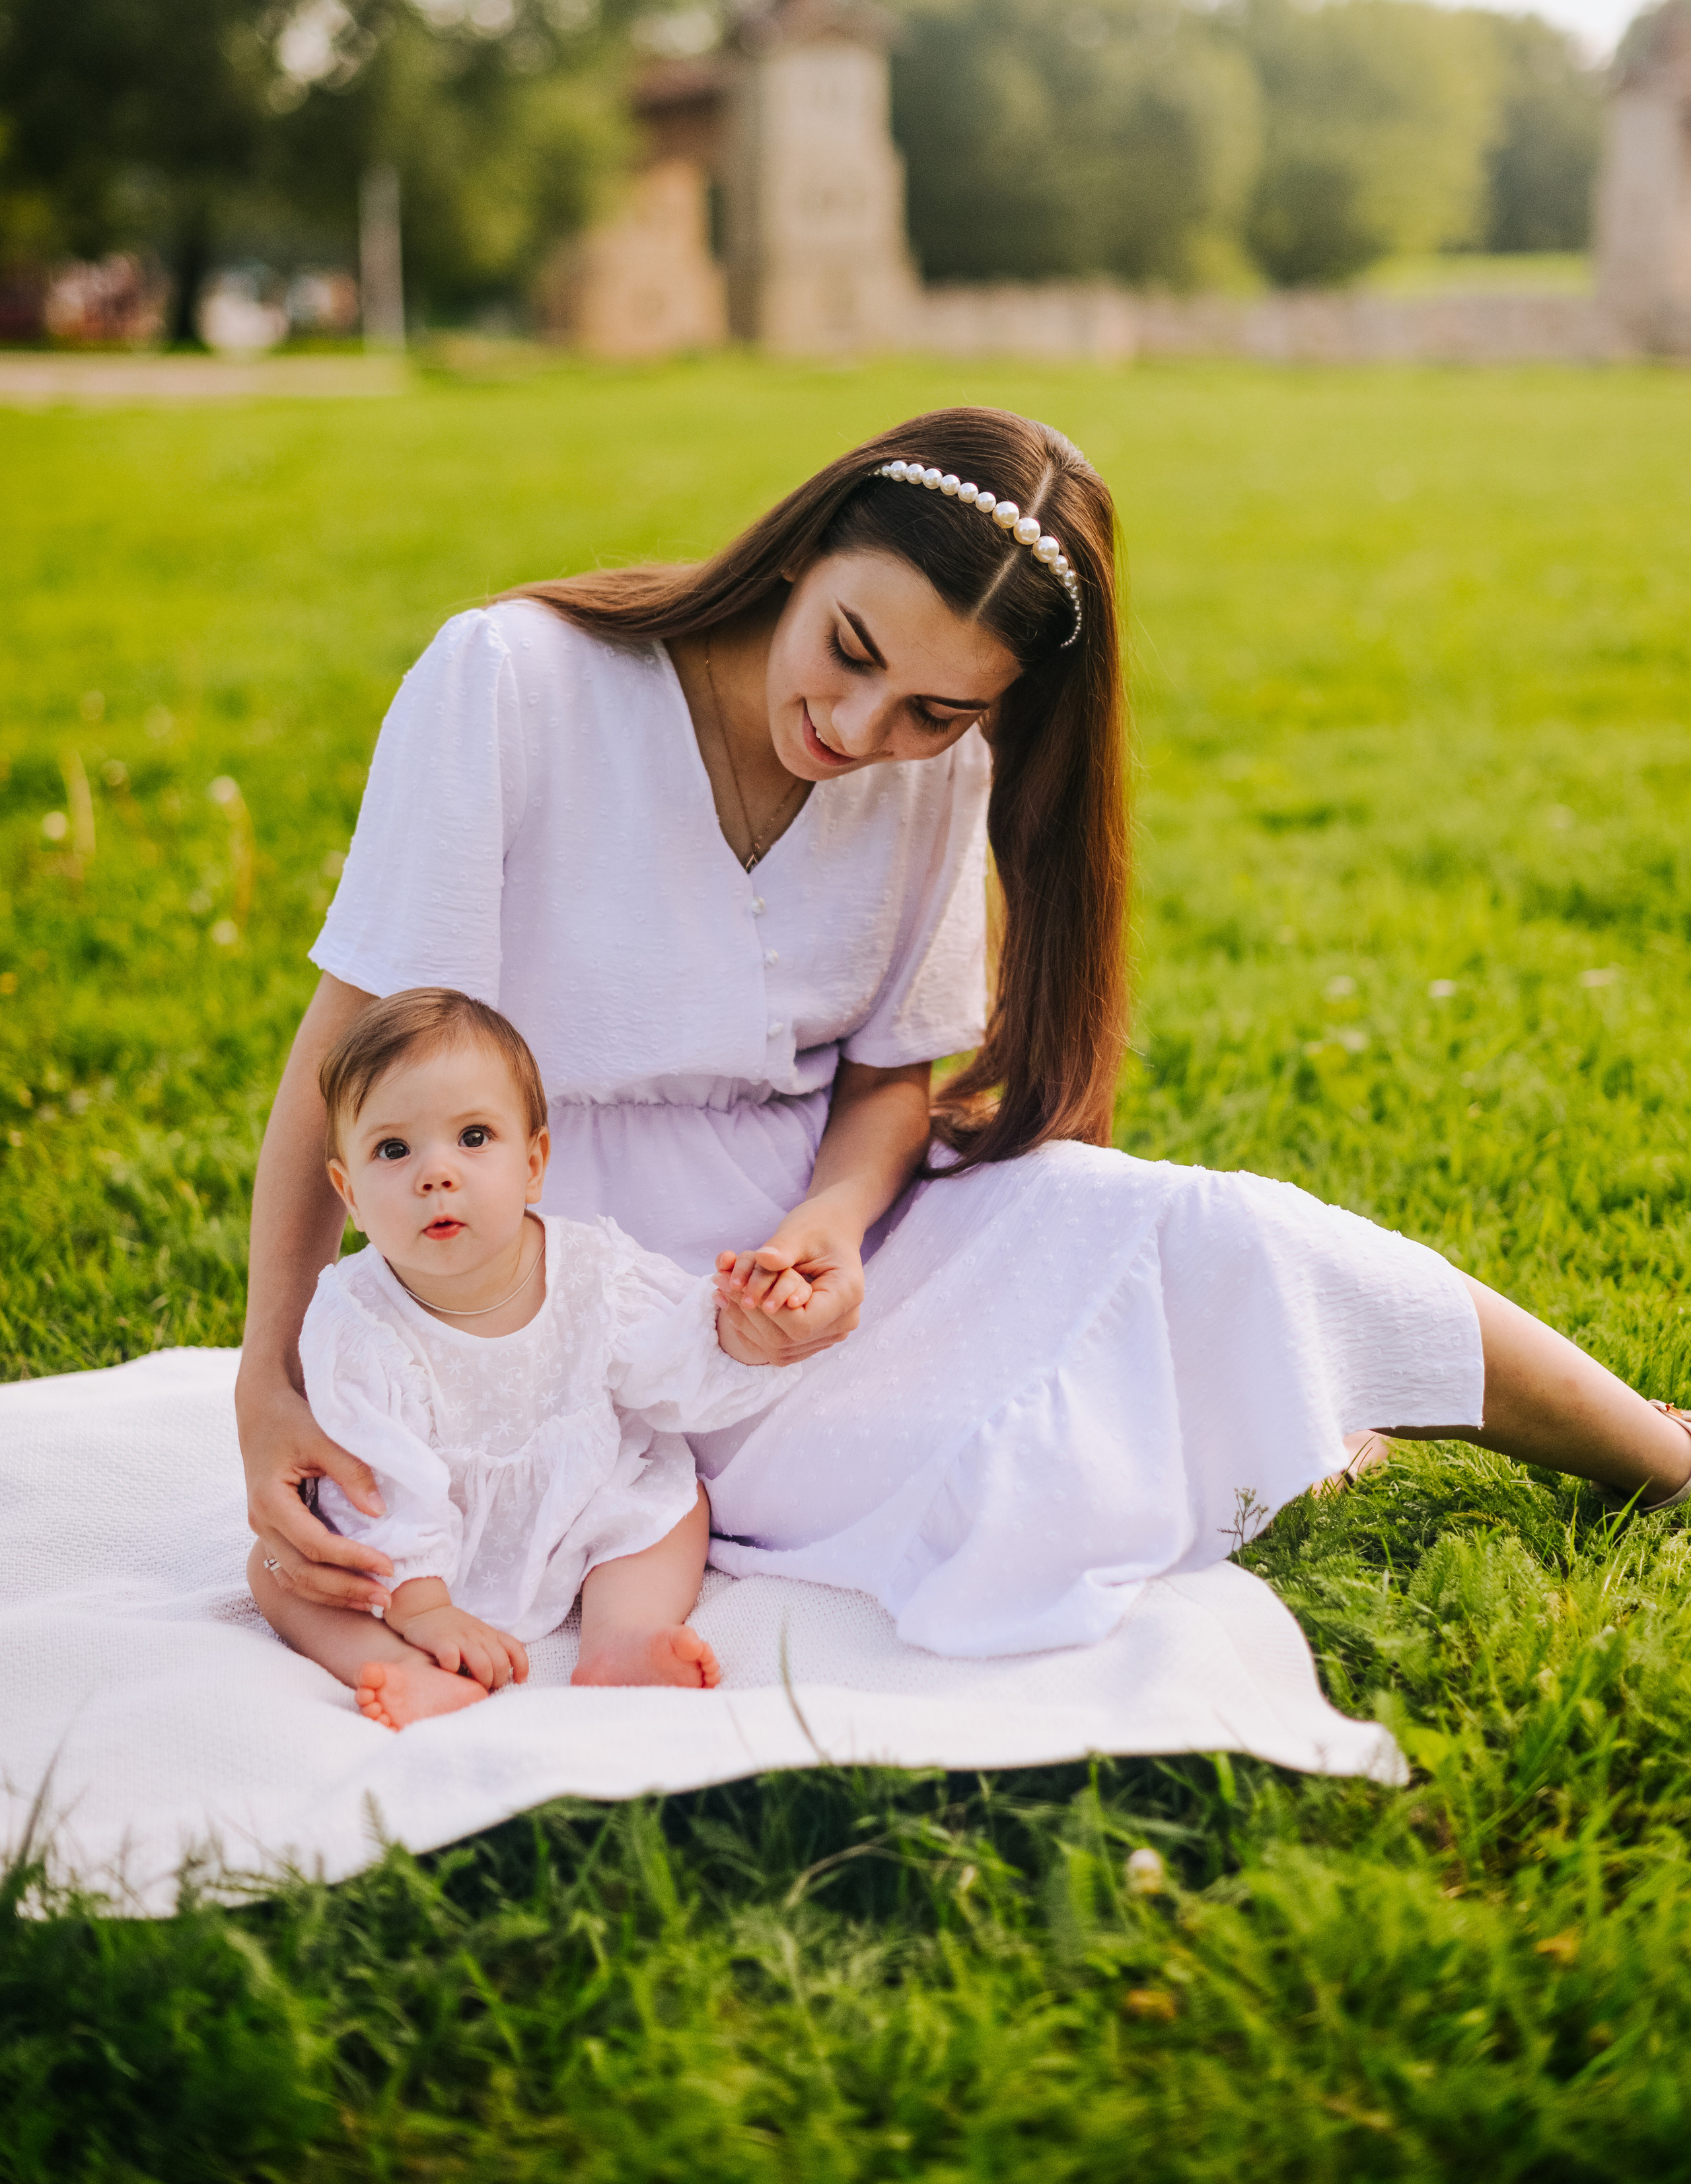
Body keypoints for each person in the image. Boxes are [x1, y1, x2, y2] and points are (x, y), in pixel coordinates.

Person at [238, 407, 1691, 1664]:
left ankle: (1663, 1456)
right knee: (1008, 1501)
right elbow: (347, 1051)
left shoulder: (939, 773)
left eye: (934, 709)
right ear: (803, 547)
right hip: (569, 1296)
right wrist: (270, 1368)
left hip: (840, 1250)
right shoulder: (511, 680)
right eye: (849, 652)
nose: (862, 727)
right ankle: (1281, 1433)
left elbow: (891, 1083)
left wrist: (834, 1225)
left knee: (1210, 1231)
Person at [247, 986, 805, 1726]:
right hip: (413, 1539)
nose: (436, 1173)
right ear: (348, 1195)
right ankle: (403, 1666)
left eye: (473, 1137)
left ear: (535, 1162)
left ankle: (621, 1635)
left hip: (570, 1503)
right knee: (283, 1571)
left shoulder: (590, 1269)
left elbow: (667, 1367)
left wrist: (737, 1329)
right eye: (393, 1149)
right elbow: (376, 1479)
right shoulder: (355, 1319)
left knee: (669, 1499)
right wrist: (423, 1607)